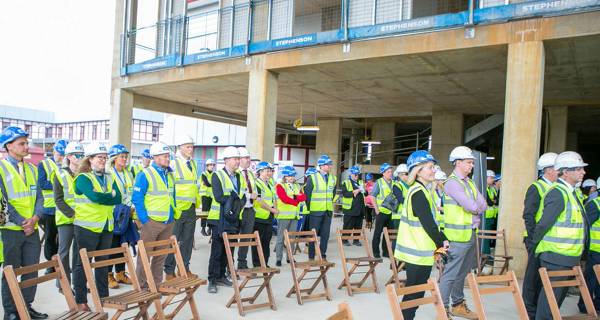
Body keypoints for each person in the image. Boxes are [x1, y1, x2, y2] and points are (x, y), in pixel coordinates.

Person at [0, 126, 48, 320]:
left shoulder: (32, 169)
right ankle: (11, 311)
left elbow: (39, 198)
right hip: (11, 229)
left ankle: (26, 307)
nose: (26, 146)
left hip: (32, 228)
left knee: (31, 269)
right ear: (9, 146)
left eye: (26, 143)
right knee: (11, 271)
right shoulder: (1, 169)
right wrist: (22, 222)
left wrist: (35, 218)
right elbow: (2, 201)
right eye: (22, 143)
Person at [532, 151, 587, 320]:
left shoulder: (572, 192)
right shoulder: (558, 193)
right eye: (578, 169)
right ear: (565, 171)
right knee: (550, 302)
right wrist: (534, 246)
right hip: (555, 255)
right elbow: (543, 224)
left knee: (556, 302)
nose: (583, 172)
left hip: (568, 255)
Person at [395, 150, 448, 320]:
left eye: (433, 167)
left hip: (420, 252)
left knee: (415, 294)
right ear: (418, 170)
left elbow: (431, 221)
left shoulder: (422, 190)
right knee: (414, 294)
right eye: (430, 167)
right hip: (416, 253)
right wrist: (442, 241)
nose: (434, 170)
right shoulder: (418, 192)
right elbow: (428, 224)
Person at [72, 142, 122, 311]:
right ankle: (80, 300)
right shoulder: (83, 178)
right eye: (100, 157)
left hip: (106, 226)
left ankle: (103, 297)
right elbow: (95, 198)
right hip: (87, 227)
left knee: (103, 263)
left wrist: (107, 196)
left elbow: (118, 198)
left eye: (105, 157)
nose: (103, 160)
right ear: (90, 159)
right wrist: (108, 195)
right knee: (83, 264)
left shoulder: (109, 176)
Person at [438, 146, 486, 319]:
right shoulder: (452, 183)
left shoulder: (470, 182)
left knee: (462, 273)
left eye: (472, 162)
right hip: (457, 237)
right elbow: (474, 206)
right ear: (458, 162)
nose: (471, 165)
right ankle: (442, 311)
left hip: (470, 233)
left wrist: (474, 208)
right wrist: (474, 208)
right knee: (450, 274)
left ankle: (457, 305)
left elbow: (483, 205)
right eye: (469, 162)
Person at [132, 142, 177, 290]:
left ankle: (156, 285)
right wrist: (145, 220)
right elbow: (137, 198)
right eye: (165, 156)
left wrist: (174, 216)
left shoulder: (169, 175)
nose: (167, 159)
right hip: (151, 222)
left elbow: (171, 196)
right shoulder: (145, 174)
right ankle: (142, 287)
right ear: (155, 157)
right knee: (145, 256)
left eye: (168, 156)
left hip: (168, 221)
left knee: (160, 256)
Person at [521, 152, 558, 319]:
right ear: (548, 170)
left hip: (547, 241)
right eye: (558, 169)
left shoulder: (555, 187)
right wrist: (534, 240)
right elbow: (529, 215)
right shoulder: (536, 187)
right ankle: (529, 312)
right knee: (533, 278)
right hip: (535, 239)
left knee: (541, 277)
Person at [207, 146, 244, 294]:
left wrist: (236, 203)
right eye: (235, 159)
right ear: (227, 160)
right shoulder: (217, 175)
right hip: (218, 219)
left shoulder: (238, 176)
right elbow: (218, 197)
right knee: (216, 251)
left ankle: (221, 276)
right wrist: (234, 200)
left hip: (232, 218)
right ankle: (212, 280)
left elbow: (241, 196)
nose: (238, 162)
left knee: (227, 250)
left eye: (238, 159)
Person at [165, 135, 199, 279]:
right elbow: (168, 187)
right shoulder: (173, 164)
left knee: (188, 240)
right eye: (187, 147)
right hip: (177, 208)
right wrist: (173, 208)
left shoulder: (193, 164)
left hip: (190, 207)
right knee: (173, 240)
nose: (190, 150)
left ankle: (184, 268)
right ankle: (169, 271)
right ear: (180, 147)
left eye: (191, 147)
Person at [53, 141, 84, 289]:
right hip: (66, 220)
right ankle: (63, 285)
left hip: (82, 220)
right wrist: (72, 214)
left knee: (79, 254)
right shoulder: (60, 174)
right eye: (77, 155)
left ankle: (78, 284)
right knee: (64, 253)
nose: (80, 158)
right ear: (69, 157)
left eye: (82, 155)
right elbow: (58, 199)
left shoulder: (85, 175)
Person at [106, 144, 134, 288]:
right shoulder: (108, 173)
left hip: (126, 213)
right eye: (122, 157)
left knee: (124, 244)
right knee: (112, 244)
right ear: (114, 158)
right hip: (114, 214)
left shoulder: (128, 173)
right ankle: (108, 275)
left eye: (125, 156)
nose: (124, 159)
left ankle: (121, 273)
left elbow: (131, 191)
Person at [38, 138, 68, 274]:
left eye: (63, 155)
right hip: (49, 208)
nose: (61, 157)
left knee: (62, 239)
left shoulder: (67, 167)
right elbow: (42, 183)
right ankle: (51, 265)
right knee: (50, 238)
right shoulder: (44, 164)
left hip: (63, 209)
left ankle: (61, 264)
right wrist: (59, 185)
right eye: (59, 154)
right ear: (54, 151)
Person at [304, 155, 337, 260]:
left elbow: (333, 193)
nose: (330, 166)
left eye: (330, 164)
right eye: (328, 164)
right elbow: (307, 195)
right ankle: (311, 256)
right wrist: (311, 208)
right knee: (313, 235)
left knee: (325, 235)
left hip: (327, 212)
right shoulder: (312, 177)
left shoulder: (333, 178)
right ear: (321, 166)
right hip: (315, 212)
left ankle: (322, 255)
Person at [275, 166, 306, 266]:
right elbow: (284, 199)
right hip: (283, 216)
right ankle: (278, 259)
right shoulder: (280, 185)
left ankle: (290, 257)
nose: (292, 177)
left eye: (293, 175)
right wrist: (296, 200)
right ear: (285, 176)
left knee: (292, 238)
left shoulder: (297, 186)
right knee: (280, 238)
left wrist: (293, 197)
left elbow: (304, 197)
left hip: (294, 217)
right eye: (289, 176)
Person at [252, 162, 278, 267]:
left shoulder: (271, 184)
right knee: (258, 242)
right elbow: (258, 200)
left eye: (270, 171)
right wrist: (271, 210)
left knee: (266, 242)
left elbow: (273, 198)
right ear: (260, 172)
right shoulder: (256, 184)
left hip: (269, 217)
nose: (270, 173)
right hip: (259, 217)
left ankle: (265, 263)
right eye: (267, 171)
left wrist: (275, 208)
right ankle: (257, 264)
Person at [236, 147, 257, 269]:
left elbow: (253, 189)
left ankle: (242, 263)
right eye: (246, 158)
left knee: (246, 237)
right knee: (233, 238)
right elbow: (237, 191)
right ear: (239, 159)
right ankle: (229, 267)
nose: (249, 160)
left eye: (249, 158)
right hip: (239, 209)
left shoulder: (250, 173)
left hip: (250, 209)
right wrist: (249, 195)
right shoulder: (236, 173)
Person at [579, 191, 600, 313]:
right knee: (591, 279)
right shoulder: (595, 205)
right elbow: (585, 227)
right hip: (595, 250)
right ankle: (584, 304)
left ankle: (598, 303)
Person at [370, 163, 395, 258]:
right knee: (378, 232)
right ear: (383, 173)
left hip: (390, 212)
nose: (390, 174)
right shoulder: (379, 182)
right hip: (381, 212)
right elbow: (372, 196)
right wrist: (377, 210)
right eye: (388, 172)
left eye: (391, 172)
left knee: (388, 234)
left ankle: (385, 252)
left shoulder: (393, 183)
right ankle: (375, 252)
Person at [341, 166, 365, 246]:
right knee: (348, 225)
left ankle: (356, 240)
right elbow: (346, 194)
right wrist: (356, 191)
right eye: (355, 174)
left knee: (358, 226)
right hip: (350, 209)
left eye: (358, 175)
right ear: (351, 174)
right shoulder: (346, 182)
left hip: (360, 208)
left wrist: (365, 191)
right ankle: (344, 240)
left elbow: (365, 194)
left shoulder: (360, 182)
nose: (356, 176)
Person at [481, 170, 499, 258]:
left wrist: (492, 201)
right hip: (485, 216)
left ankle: (487, 252)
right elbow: (490, 202)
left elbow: (496, 200)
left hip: (491, 215)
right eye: (491, 178)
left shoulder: (491, 189)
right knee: (485, 236)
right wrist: (493, 201)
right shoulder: (483, 188)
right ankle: (485, 253)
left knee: (488, 236)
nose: (493, 180)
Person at [199, 158, 216, 236]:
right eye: (210, 165)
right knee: (204, 212)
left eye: (213, 165)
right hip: (205, 195)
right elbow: (207, 183)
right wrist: (214, 184)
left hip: (211, 196)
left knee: (211, 212)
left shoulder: (214, 174)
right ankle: (203, 228)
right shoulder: (204, 174)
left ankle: (209, 228)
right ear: (207, 166)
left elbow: (210, 184)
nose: (212, 166)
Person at [392, 164, 410, 229]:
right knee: (397, 237)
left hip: (408, 215)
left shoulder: (410, 185)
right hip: (398, 217)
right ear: (399, 175)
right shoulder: (397, 186)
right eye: (406, 174)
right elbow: (401, 200)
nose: (408, 175)